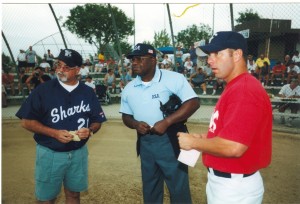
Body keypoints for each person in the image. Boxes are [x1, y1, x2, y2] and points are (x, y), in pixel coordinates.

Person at [178, 31, 272, 204]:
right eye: (209, 55)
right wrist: (205, 139)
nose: (210, 60)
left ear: (236, 55)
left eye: (217, 54)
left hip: (234, 187)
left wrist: (194, 143)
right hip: (227, 183)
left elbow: (234, 147)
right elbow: (231, 135)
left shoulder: (244, 89)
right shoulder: (236, 85)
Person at [15, 49, 107, 204]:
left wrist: (90, 130)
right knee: (46, 199)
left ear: (77, 70)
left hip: (78, 153)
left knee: (73, 195)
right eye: (59, 65)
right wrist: (54, 133)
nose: (60, 70)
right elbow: (26, 121)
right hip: (50, 153)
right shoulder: (43, 90)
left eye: (67, 67)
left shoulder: (87, 92)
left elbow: (97, 120)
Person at [120, 43, 200, 204]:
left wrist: (167, 121)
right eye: (132, 59)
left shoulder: (173, 78)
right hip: (145, 142)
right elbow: (126, 116)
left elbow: (193, 103)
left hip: (171, 139)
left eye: (138, 59)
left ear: (153, 60)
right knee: (150, 187)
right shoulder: (129, 88)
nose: (134, 62)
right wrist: (135, 124)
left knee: (178, 187)